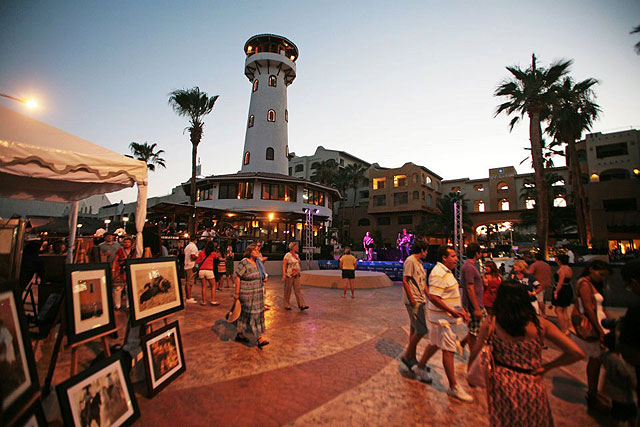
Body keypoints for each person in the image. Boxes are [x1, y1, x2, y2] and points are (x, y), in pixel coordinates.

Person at [469, 280, 584, 427]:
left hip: (501, 384)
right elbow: (576, 352)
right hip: (531, 382)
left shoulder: (492, 322)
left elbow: (476, 350)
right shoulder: (540, 325)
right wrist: (548, 367)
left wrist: (470, 371)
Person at [416, 245, 472, 402]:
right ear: (444, 258)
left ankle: (420, 367)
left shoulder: (446, 272)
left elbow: (449, 295)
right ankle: (454, 386)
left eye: (456, 256)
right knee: (448, 350)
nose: (456, 259)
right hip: (443, 321)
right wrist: (452, 311)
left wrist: (460, 310)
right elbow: (434, 297)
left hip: (442, 318)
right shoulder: (439, 273)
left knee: (434, 343)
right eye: (453, 256)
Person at [571, 259, 611, 411]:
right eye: (600, 274)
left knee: (598, 360)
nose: (602, 278)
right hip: (595, 324)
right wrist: (600, 330)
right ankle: (593, 394)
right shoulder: (584, 283)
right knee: (597, 360)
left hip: (600, 322)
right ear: (591, 270)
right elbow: (588, 308)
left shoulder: (591, 283)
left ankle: (594, 393)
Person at [600, 310, 639, 427]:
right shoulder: (618, 360)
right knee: (630, 414)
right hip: (624, 395)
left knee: (616, 414)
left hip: (615, 394)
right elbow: (627, 375)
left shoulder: (605, 356)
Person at [399, 241, 430, 379]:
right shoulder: (410, 261)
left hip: (421, 299)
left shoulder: (419, 263)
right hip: (414, 301)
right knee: (421, 330)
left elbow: (422, 283)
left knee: (414, 330)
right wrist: (412, 299)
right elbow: (405, 280)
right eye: (426, 250)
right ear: (422, 250)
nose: (427, 253)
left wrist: (429, 297)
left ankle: (413, 359)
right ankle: (407, 356)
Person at [234, 244, 268, 348]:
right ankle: (243, 334)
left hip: (257, 292)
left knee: (257, 313)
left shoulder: (257, 263)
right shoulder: (244, 262)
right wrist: (237, 293)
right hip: (247, 292)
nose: (257, 251)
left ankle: (258, 337)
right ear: (250, 252)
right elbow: (238, 277)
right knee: (246, 313)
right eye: (255, 250)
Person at [461, 243, 485, 352]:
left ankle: (465, 346)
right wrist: (476, 308)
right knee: (478, 331)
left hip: (477, 303)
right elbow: (470, 288)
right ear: (477, 253)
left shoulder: (471, 266)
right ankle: (474, 354)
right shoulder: (469, 267)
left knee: (474, 331)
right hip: (474, 304)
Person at [112, 236, 137, 310]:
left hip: (129, 270)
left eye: (128, 242)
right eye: (125, 242)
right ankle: (117, 305)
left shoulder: (133, 251)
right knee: (118, 288)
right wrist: (113, 270)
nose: (126, 244)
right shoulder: (120, 250)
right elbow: (115, 260)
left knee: (129, 288)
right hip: (120, 270)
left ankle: (129, 305)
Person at [282, 242, 308, 311]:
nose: (297, 248)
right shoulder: (288, 255)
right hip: (290, 274)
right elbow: (284, 265)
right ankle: (286, 303)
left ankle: (302, 304)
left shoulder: (297, 255)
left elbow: (298, 263)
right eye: (296, 247)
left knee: (298, 290)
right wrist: (284, 274)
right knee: (288, 289)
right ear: (292, 247)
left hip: (297, 274)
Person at [552, 254, 573, 334]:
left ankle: (564, 329)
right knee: (564, 310)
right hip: (567, 288)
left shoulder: (563, 269)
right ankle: (567, 327)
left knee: (558, 309)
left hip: (562, 290)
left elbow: (560, 282)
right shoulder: (568, 268)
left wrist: (556, 292)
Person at [195, 240, 220, 306]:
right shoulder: (213, 253)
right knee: (213, 285)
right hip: (209, 271)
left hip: (201, 271)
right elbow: (218, 257)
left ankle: (204, 302)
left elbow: (197, 262)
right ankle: (213, 300)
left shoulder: (201, 253)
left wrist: (196, 268)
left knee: (204, 287)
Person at [183, 236, 199, 303]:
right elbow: (192, 256)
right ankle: (189, 298)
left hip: (186, 265)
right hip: (191, 265)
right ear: (195, 240)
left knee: (187, 282)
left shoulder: (187, 247)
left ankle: (187, 297)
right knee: (190, 282)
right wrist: (198, 257)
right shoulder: (193, 246)